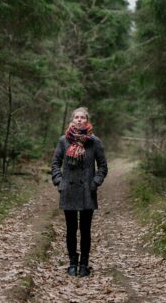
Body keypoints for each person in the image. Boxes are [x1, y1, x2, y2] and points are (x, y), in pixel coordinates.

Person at [50, 107, 108, 277]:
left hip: (86, 191)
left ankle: (84, 264)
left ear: (87, 120)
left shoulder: (94, 141)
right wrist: (60, 182)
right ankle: (72, 263)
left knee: (85, 229)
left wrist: (95, 183)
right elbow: (55, 164)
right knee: (70, 229)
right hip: (68, 190)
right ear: (72, 120)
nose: (79, 119)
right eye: (76, 117)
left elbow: (103, 166)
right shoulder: (63, 140)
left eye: (82, 117)